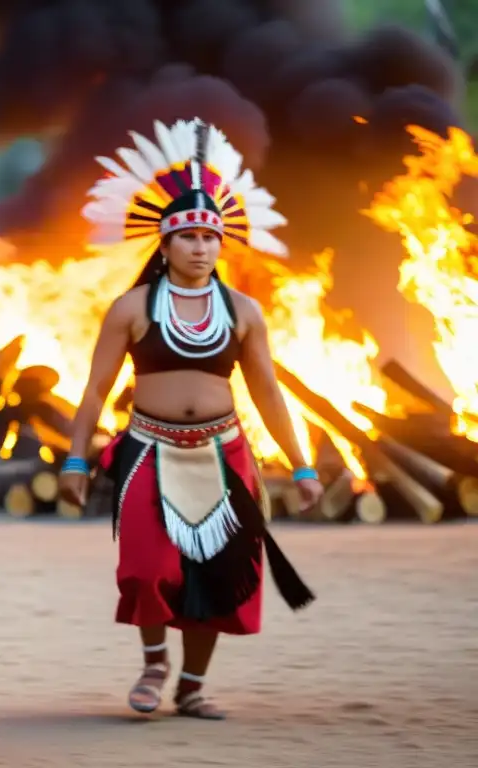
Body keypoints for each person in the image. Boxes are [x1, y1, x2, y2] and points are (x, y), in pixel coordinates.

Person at [60, 118, 322, 720]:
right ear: (164, 243)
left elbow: (269, 394)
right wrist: (76, 458)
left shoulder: (244, 312)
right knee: (149, 567)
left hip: (223, 455)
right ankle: (155, 660)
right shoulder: (131, 308)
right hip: (149, 452)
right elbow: (96, 388)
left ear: (222, 242)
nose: (201, 246)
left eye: (211, 236)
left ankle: (194, 684)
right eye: (189, 237)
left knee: (220, 572)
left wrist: (302, 465)